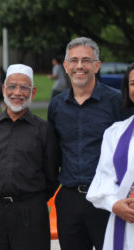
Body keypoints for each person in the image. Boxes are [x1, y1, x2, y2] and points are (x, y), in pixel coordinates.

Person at [48, 37, 124, 250]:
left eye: (86, 60)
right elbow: (54, 153)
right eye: (73, 60)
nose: (79, 66)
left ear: (97, 65)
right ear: (65, 65)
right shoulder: (56, 106)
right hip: (69, 200)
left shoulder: (117, 102)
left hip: (108, 200)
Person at [0, 64, 60, 250]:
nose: (17, 93)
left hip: (30, 213)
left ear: (33, 92)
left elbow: (52, 176)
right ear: (4, 89)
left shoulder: (44, 130)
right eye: (12, 86)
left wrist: (28, 199)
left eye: (24, 87)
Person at [87, 63, 134, 250]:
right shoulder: (115, 133)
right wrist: (115, 204)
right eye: (132, 83)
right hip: (124, 221)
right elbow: (103, 178)